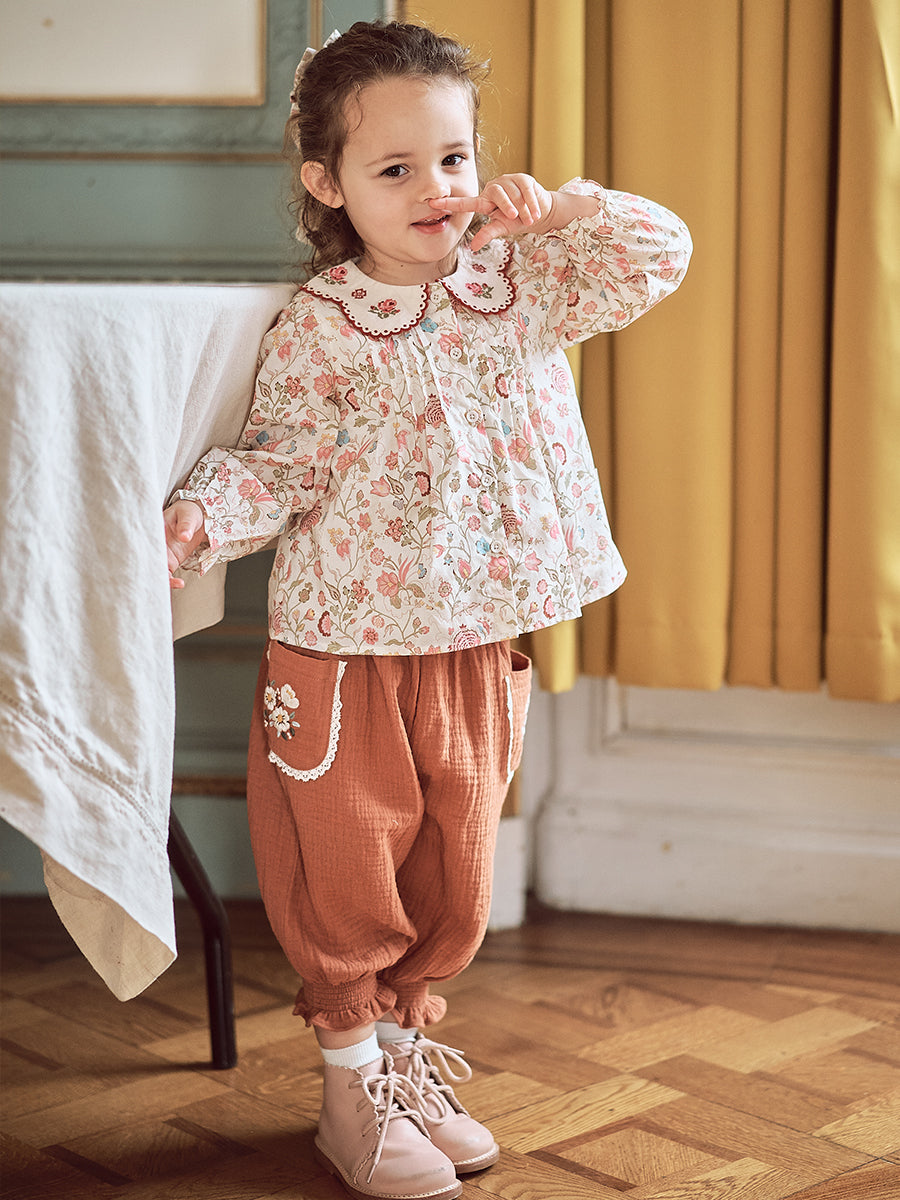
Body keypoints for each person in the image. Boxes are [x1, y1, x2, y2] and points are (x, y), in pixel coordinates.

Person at [164, 19, 691, 1200]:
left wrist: (562, 210)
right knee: (348, 866)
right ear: (328, 185)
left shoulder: (521, 283)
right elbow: (281, 464)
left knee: (455, 868)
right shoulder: (322, 324)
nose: (435, 189)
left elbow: (657, 252)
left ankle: (403, 1058)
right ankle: (350, 1080)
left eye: (452, 158)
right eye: (395, 168)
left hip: (476, 634)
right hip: (345, 647)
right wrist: (199, 519)